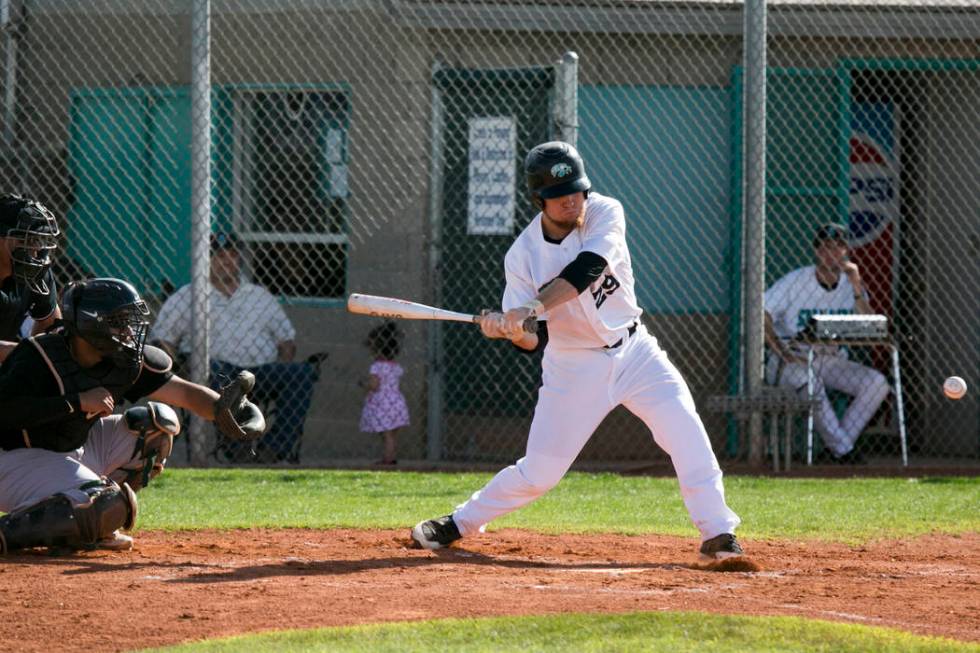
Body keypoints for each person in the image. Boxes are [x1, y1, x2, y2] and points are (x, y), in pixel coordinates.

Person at [411, 142, 743, 561]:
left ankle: (718, 533)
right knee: (540, 472)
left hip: (636, 350)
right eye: (559, 194)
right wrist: (508, 330)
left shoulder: (605, 212)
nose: (572, 200)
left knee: (686, 431)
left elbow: (587, 268)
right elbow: (532, 339)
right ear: (538, 200)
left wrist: (529, 307)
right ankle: (459, 523)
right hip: (573, 367)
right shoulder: (522, 256)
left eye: (577, 189)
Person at [0, 278, 264, 554]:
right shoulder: (38, 356)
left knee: (157, 426)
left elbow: (185, 394)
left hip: (70, 448)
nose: (128, 331)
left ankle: (91, 523)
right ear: (92, 323)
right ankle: (14, 532)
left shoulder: (121, 359)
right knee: (104, 499)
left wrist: (226, 410)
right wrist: (74, 403)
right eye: (119, 321)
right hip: (13, 460)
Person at [151, 232, 317, 463]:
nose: (226, 261)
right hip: (215, 372)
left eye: (232, 256)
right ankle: (237, 446)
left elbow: (286, 341)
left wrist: (282, 364)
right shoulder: (188, 295)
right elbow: (163, 338)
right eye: (219, 256)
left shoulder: (259, 295)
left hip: (260, 371)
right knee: (216, 372)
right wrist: (179, 366)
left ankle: (273, 449)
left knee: (302, 373)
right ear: (205, 260)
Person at [763, 223, 890, 464]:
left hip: (830, 359)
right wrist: (780, 350)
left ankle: (838, 449)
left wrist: (855, 286)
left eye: (838, 248)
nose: (831, 253)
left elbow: (869, 323)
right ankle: (843, 451)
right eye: (825, 248)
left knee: (877, 383)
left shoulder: (852, 284)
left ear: (846, 251)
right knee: (810, 382)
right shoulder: (797, 280)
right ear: (817, 251)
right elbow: (762, 313)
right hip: (792, 359)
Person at [0, 194, 62, 361]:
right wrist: (30, 354)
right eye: (24, 239)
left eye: (36, 240)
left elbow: (51, 326)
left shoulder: (32, 269)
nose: (34, 250)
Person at [359, 322, 409, 465]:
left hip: (383, 403)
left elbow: (374, 385)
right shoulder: (395, 366)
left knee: (386, 435)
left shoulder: (376, 366)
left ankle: (388, 460)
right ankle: (390, 457)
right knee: (391, 435)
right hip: (396, 402)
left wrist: (364, 384)